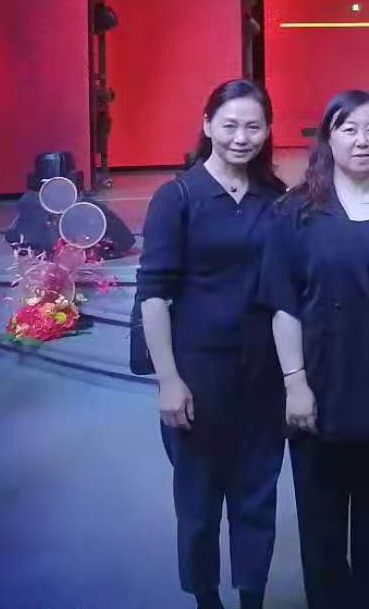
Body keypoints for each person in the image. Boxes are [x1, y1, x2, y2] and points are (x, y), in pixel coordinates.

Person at [259, 90, 369, 609]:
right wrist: (295, 385)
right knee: (322, 523)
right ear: (328, 138)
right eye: (349, 129)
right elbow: (283, 304)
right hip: (320, 384)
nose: (362, 141)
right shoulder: (295, 211)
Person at [135, 79, 288, 609]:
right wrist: (168, 380)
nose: (241, 137)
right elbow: (154, 295)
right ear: (207, 125)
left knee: (257, 497)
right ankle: (206, 598)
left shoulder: (275, 198)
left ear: (267, 131)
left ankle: (251, 599)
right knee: (199, 502)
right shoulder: (177, 197)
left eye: (253, 126)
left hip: (263, 373)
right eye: (230, 125)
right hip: (197, 374)